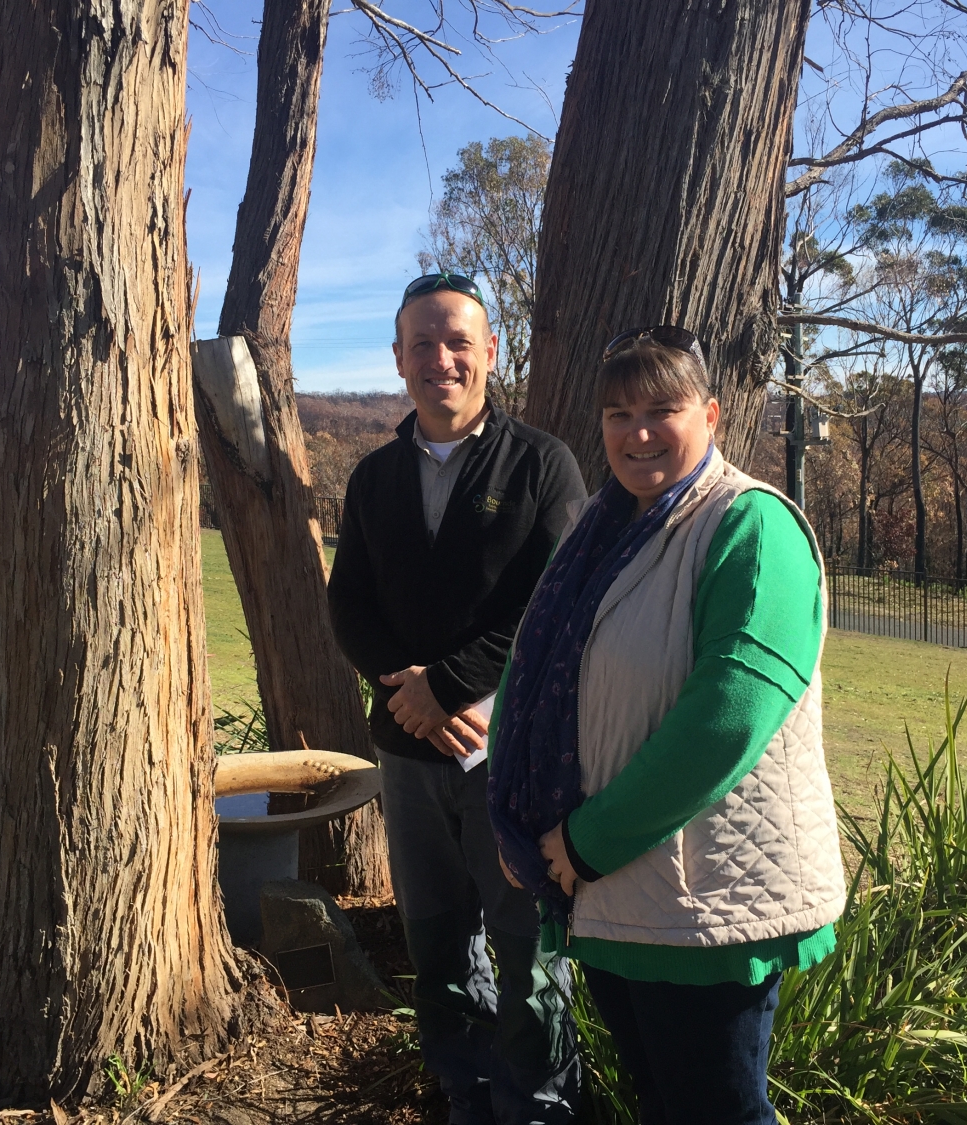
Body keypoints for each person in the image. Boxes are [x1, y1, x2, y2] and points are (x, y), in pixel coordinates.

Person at [487, 327, 846, 1124]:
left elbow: (726, 719)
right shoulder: (600, 534)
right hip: (618, 901)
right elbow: (536, 672)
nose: (636, 431)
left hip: (705, 910)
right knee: (664, 1105)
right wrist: (524, 821)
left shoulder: (753, 528)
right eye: (618, 412)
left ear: (712, 414)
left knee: (716, 1113)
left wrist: (583, 841)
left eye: (662, 408)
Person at [328, 271, 587, 1124]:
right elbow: (350, 606)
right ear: (398, 358)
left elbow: (555, 603)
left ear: (490, 352)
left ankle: (537, 1104)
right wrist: (410, 699)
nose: (441, 358)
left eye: (458, 342)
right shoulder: (372, 479)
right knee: (436, 938)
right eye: (422, 344)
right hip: (407, 754)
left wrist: (447, 688)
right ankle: (463, 1092)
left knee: (526, 944)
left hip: (508, 752)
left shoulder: (544, 464)